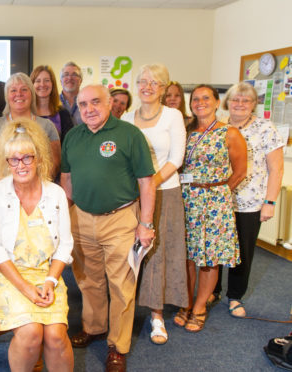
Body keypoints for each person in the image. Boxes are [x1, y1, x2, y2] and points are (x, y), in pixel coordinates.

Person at [61, 85, 156, 372]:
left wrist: (146, 224)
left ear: (110, 103)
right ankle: (94, 327)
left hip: (120, 219)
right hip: (82, 218)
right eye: (83, 104)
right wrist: (65, 217)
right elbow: (66, 179)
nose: (89, 109)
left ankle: (118, 345)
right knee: (88, 280)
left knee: (121, 285)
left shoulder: (129, 135)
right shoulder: (73, 137)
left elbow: (147, 182)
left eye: (95, 102)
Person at [0, 119, 74, 372]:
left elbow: (65, 245)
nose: (21, 165)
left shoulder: (55, 193)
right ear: (6, 162)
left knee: (56, 335)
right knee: (31, 332)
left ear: (39, 159)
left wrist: (49, 283)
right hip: (8, 277)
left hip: (47, 275)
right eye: (14, 159)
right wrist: (25, 288)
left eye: (27, 158)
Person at [121, 64, 187, 345]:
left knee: (157, 253)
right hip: (130, 196)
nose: (147, 86)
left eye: (154, 82)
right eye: (142, 81)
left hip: (165, 193)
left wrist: (150, 185)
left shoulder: (172, 116)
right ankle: (124, 309)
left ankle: (157, 316)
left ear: (163, 87)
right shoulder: (126, 117)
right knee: (129, 252)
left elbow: (176, 158)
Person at [176, 84, 247, 332]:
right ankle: (185, 302)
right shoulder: (185, 131)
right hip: (186, 199)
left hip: (215, 200)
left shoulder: (230, 133)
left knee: (209, 258)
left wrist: (219, 191)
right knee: (186, 256)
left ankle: (199, 307)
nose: (200, 102)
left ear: (217, 102)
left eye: (206, 98)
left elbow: (240, 172)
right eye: (195, 98)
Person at [212, 82, 284, 317]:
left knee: (242, 251)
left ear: (254, 104)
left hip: (250, 202)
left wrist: (270, 202)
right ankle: (213, 290)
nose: (240, 104)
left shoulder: (265, 128)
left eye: (246, 100)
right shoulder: (217, 125)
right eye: (235, 99)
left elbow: (276, 169)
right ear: (227, 102)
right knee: (215, 247)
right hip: (218, 200)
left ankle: (235, 296)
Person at [0, 72, 60, 181]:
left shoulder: (47, 126)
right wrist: (6, 187)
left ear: (32, 94)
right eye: (13, 90)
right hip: (3, 190)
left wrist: (34, 187)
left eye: (24, 89)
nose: (19, 94)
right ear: (7, 96)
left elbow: (54, 162)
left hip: (38, 190)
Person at [30, 65, 74, 143]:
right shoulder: (26, 113)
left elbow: (69, 144)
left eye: (46, 80)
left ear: (52, 84)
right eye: (38, 81)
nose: (42, 84)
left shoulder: (63, 114)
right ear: (31, 85)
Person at [59, 61, 83, 126]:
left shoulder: (87, 102)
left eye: (74, 74)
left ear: (80, 80)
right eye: (66, 74)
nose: (70, 78)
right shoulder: (53, 102)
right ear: (61, 81)